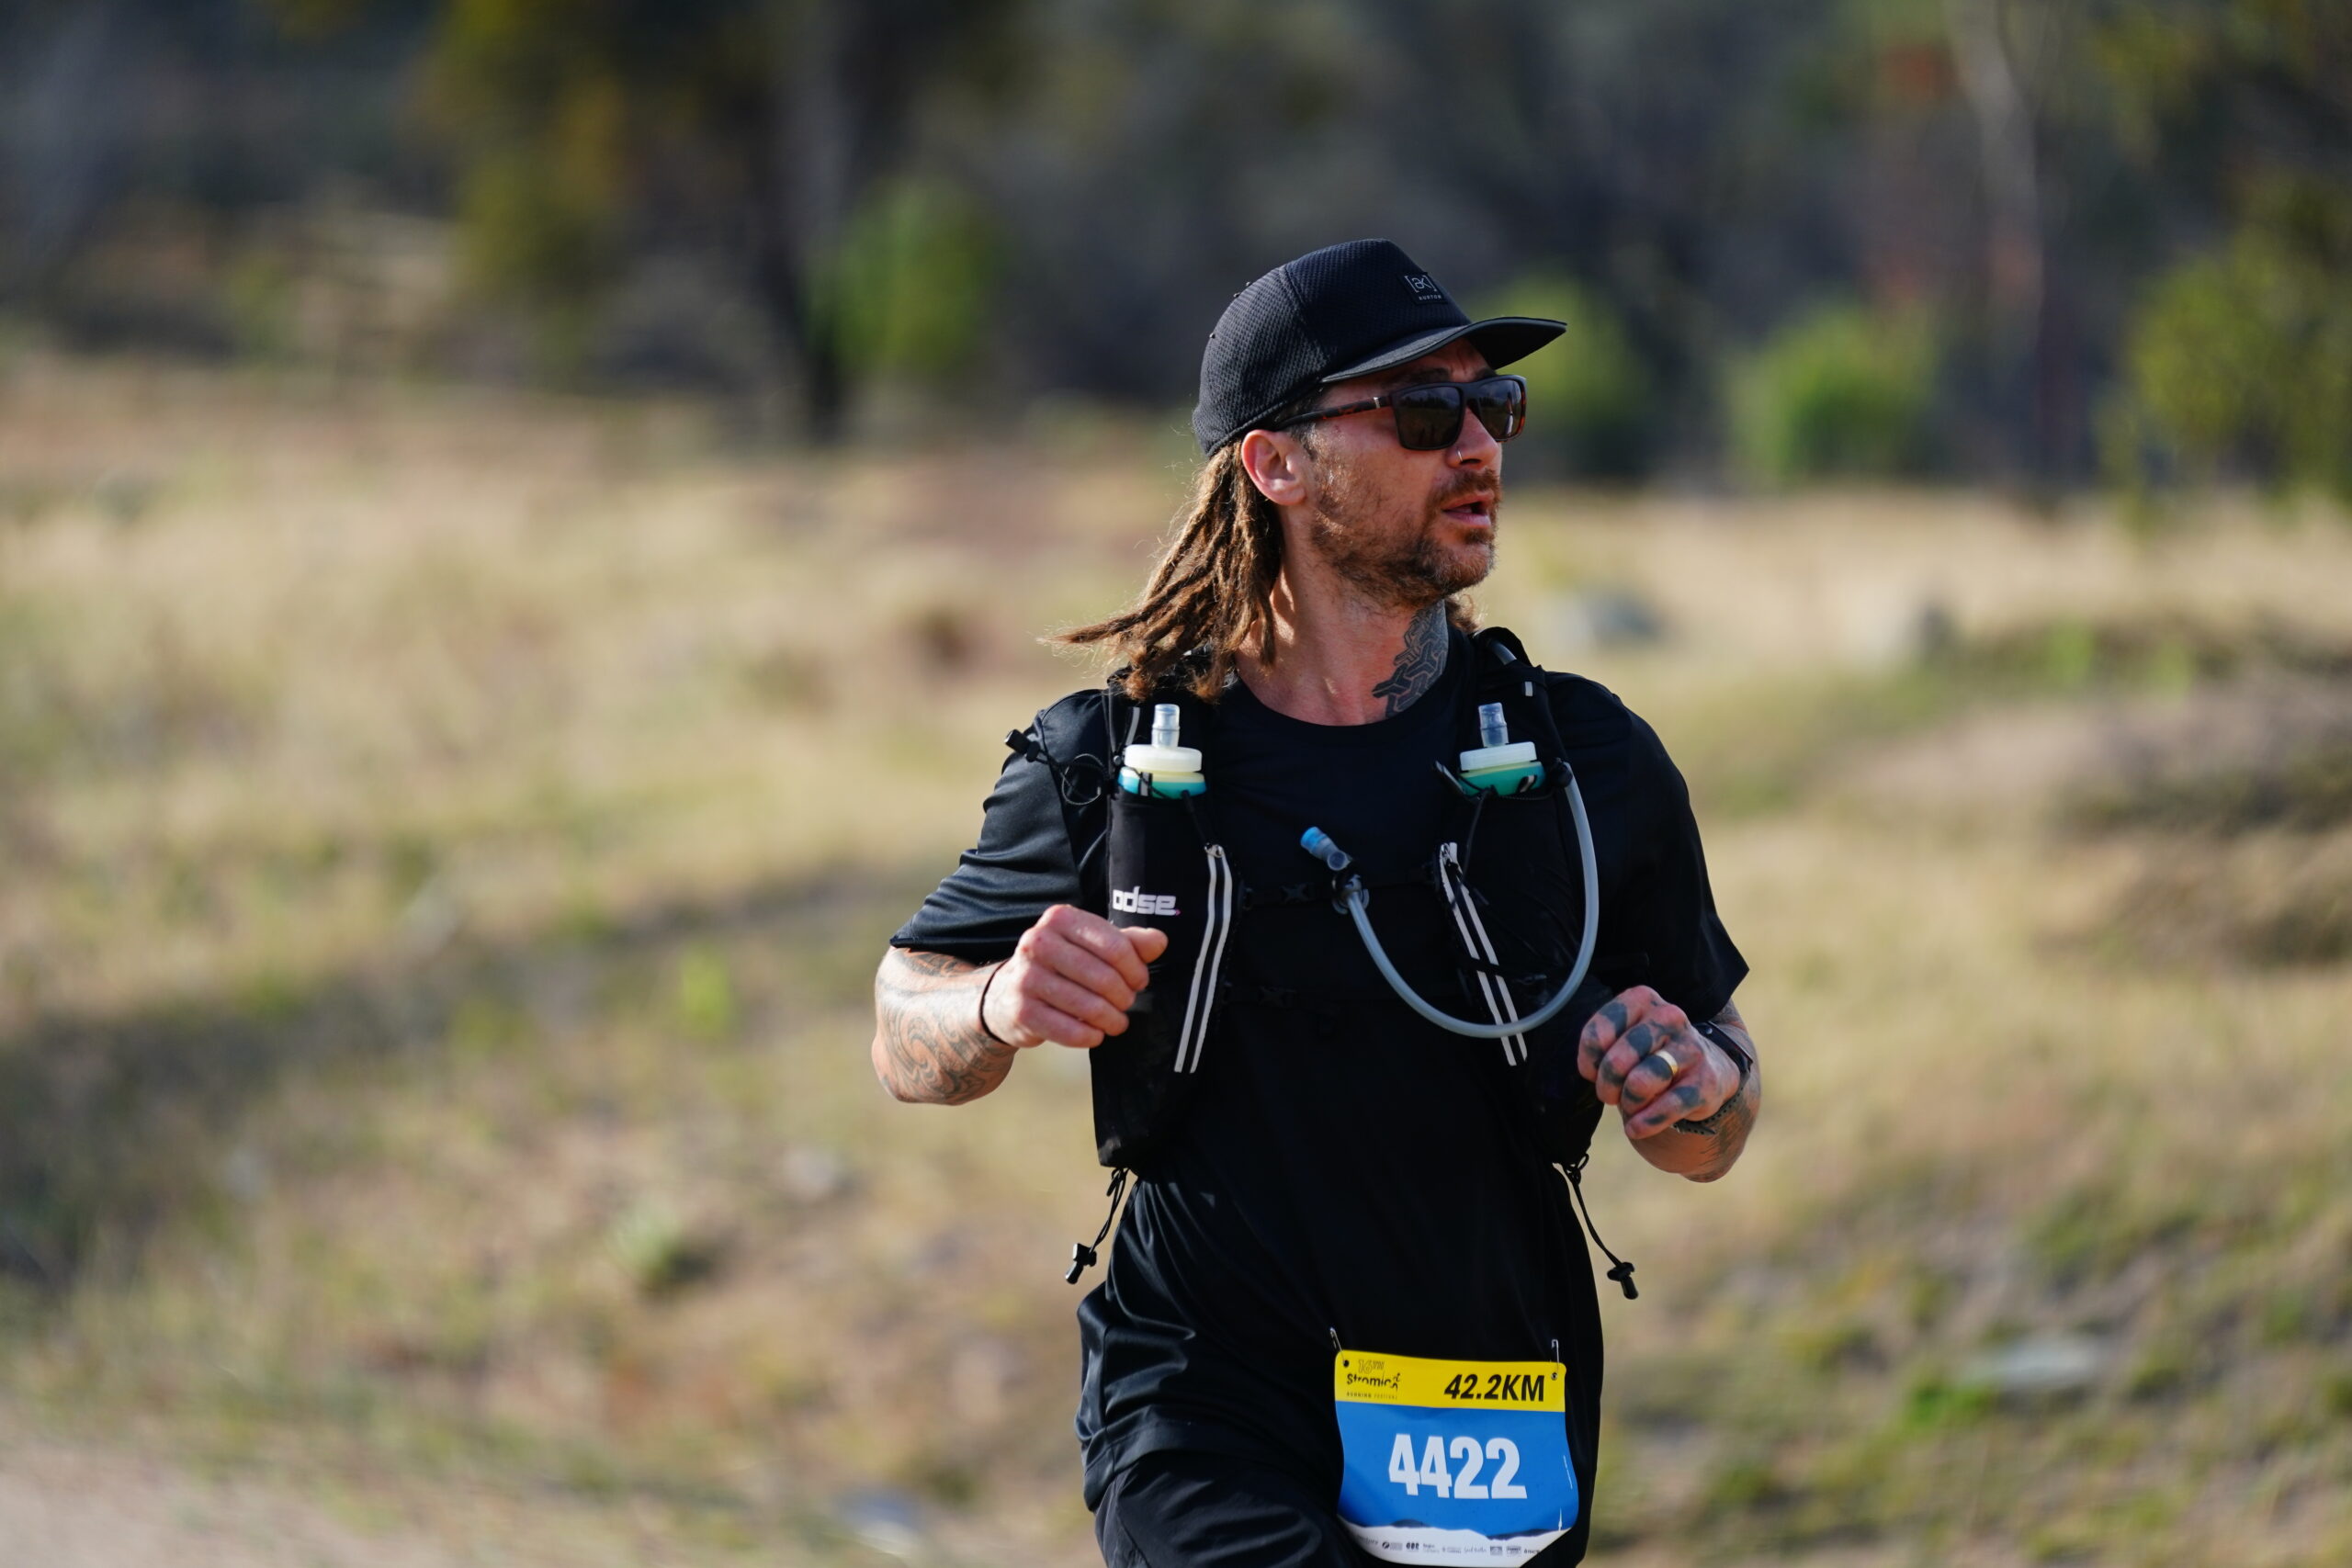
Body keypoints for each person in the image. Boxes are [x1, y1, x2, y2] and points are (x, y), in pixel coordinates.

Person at [870, 239, 1758, 1568]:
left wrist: (1687, 1089)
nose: (1476, 448)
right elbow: (902, 1027)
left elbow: (1721, 1118)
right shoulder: (1111, 764)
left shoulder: (1588, 763)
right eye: (1420, 413)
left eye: (1492, 408)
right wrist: (998, 1002)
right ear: (1275, 465)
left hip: (1490, 1402)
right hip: (1200, 1395)